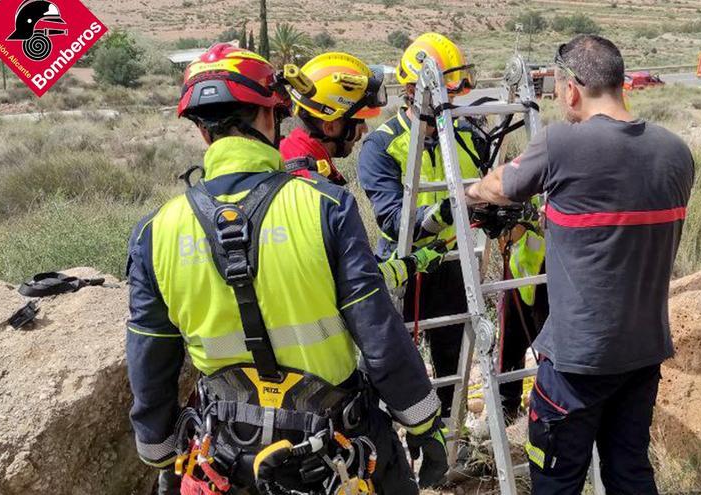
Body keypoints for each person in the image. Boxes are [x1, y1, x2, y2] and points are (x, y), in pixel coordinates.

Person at [125, 43, 447, 495]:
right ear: (268, 117)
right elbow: (379, 334)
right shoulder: (325, 207)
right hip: (334, 452)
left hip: (227, 458)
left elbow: (149, 359)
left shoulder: (155, 232)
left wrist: (160, 453)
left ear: (202, 132)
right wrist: (423, 423)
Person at [466, 35, 695, 494]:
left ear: (572, 88)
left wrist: (472, 191)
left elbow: (498, 187)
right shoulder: (677, 152)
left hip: (578, 362)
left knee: (556, 481)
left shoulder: (561, 145)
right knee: (630, 471)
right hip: (643, 352)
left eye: (557, 88)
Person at [357, 32, 482, 420]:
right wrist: (451, 209)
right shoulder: (381, 145)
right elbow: (393, 219)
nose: (450, 104)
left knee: (451, 356)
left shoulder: (467, 135)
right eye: (442, 93)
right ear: (412, 91)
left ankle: (445, 437)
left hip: (451, 264)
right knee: (393, 364)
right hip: (402, 268)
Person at [280, 51, 446, 290]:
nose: (365, 129)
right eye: (358, 120)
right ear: (331, 125)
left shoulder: (291, 159)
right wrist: (408, 266)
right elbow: (352, 283)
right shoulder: (313, 188)